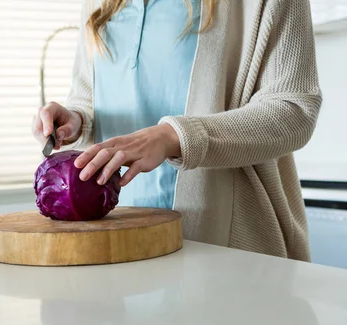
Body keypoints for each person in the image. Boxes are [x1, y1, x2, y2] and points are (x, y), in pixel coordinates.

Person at [32, 0, 322, 261]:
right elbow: (92, 96)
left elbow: (294, 109)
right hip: (117, 240)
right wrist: (78, 120)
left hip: (224, 247)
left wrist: (173, 137)